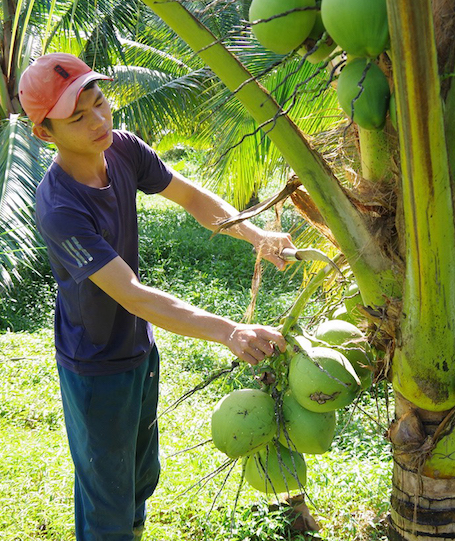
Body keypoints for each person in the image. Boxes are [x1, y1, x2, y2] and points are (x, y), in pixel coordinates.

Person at [18, 53, 293, 541]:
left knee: (142, 474)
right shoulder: (60, 207)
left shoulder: (122, 149)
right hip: (95, 361)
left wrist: (257, 236)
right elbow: (133, 295)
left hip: (139, 348)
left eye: (100, 103)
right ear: (46, 134)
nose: (99, 121)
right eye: (78, 118)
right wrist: (228, 331)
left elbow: (190, 197)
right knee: (107, 491)